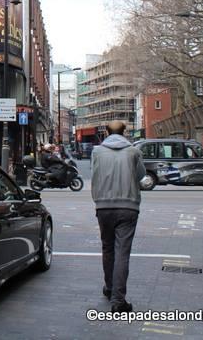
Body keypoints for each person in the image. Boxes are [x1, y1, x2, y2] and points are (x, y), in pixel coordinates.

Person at [90, 120, 145, 313]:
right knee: (122, 251)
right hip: (128, 206)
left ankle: (110, 287)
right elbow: (140, 175)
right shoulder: (134, 151)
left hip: (103, 205)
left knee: (107, 248)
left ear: (106, 132)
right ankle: (118, 300)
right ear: (125, 132)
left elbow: (94, 172)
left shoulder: (96, 151)